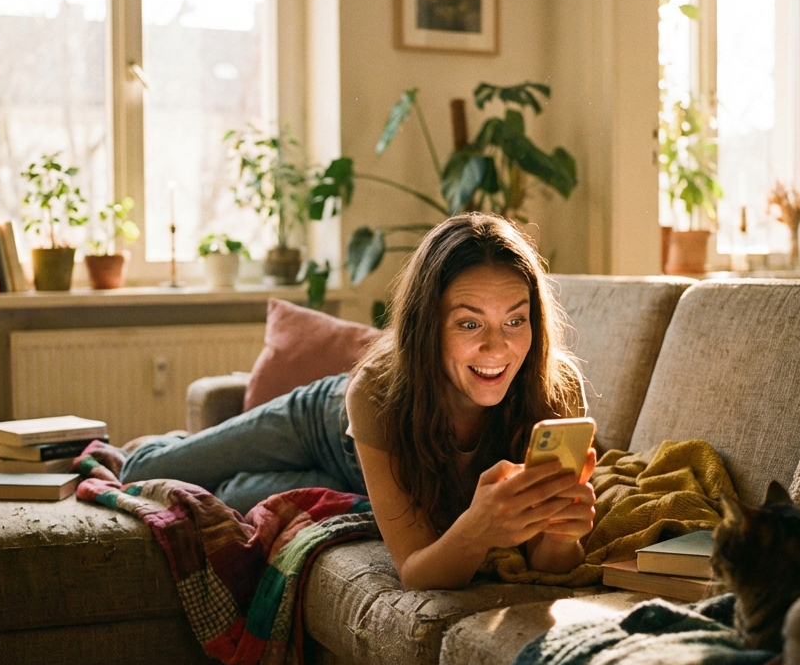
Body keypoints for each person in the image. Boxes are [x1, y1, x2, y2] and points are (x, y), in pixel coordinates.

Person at [114, 213, 596, 589]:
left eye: (515, 321)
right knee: (141, 473)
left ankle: (299, 485)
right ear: (427, 329)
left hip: (363, 479)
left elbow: (548, 565)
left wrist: (562, 532)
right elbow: (414, 571)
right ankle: (165, 445)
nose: (498, 348)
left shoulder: (555, 392)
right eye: (469, 323)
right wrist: (480, 528)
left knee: (228, 499)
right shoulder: (377, 387)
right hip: (321, 422)